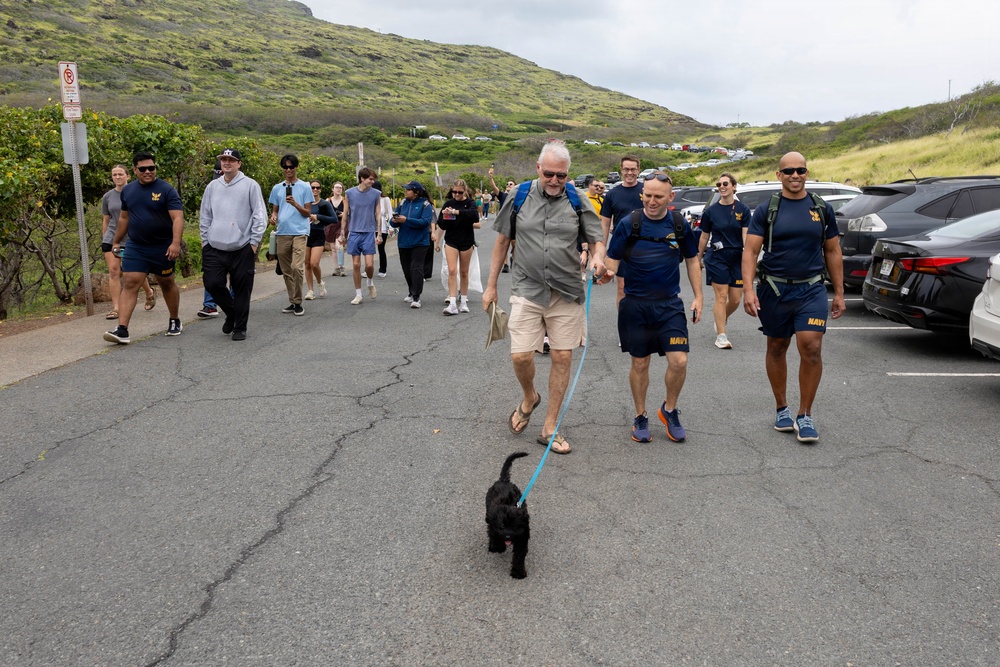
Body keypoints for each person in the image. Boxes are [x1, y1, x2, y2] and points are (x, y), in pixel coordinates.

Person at [483, 140, 610, 455]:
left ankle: (550, 426)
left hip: (567, 290)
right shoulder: (519, 195)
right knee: (521, 356)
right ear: (538, 169)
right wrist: (491, 286)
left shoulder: (578, 199)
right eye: (549, 173)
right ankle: (529, 397)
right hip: (527, 288)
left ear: (568, 174)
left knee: (562, 357)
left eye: (561, 176)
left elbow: (597, 241)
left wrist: (598, 259)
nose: (555, 181)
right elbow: (502, 242)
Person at [742, 152, 846, 444]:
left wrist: (838, 292)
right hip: (774, 289)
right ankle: (782, 408)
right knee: (777, 345)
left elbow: (833, 251)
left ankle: (805, 414)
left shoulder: (820, 208)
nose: (795, 175)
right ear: (779, 175)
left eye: (800, 170)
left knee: (810, 346)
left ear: (806, 172)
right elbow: (750, 252)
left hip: (811, 288)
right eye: (789, 171)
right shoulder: (767, 210)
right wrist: (748, 289)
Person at [603, 171, 703, 443]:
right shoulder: (629, 223)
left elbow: (692, 260)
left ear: (670, 197)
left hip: (669, 304)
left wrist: (698, 296)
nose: (652, 201)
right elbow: (612, 260)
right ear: (641, 195)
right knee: (640, 362)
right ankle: (640, 415)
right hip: (635, 305)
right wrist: (605, 274)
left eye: (658, 196)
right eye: (647, 195)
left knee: (679, 360)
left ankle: (669, 410)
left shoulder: (679, 224)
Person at [103, 151, 184, 344]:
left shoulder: (166, 189)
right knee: (130, 283)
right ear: (135, 170)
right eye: (143, 169)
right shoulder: (128, 191)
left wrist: (175, 243)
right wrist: (116, 241)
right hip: (136, 246)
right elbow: (124, 218)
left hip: (162, 247)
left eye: (151, 168)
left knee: (166, 283)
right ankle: (122, 329)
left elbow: (177, 218)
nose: (148, 171)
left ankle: (174, 319)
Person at [199, 148, 267, 341]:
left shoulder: (250, 185)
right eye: (223, 159)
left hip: (241, 246)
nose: (227, 163)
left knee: (242, 288)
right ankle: (232, 313)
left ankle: (240, 327)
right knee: (212, 283)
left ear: (239, 163)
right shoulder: (212, 187)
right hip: (214, 245)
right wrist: (205, 241)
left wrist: (253, 243)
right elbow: (205, 215)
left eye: (231, 160)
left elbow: (259, 216)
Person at [697, 172, 751, 349]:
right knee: (721, 296)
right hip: (717, 257)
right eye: (719, 184)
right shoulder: (711, 211)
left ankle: (721, 318)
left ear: (734, 187)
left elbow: (746, 236)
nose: (722, 187)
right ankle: (721, 335)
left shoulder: (743, 210)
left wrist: (749, 258)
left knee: (735, 299)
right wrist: (698, 258)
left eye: (725, 183)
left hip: (737, 257)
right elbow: (704, 237)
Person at [100, 164, 155, 321]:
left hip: (131, 237)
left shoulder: (135, 192)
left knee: (133, 272)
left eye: (120, 174)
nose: (117, 177)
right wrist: (105, 237)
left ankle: (149, 292)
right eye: (114, 175)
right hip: (112, 238)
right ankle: (116, 308)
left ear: (128, 176)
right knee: (114, 271)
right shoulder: (108, 197)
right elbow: (106, 219)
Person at [267, 154, 313, 316]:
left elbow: (308, 213)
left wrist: (295, 204)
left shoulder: (305, 187)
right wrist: (273, 217)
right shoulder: (277, 188)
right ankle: (292, 301)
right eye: (285, 167)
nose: (288, 170)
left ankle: (299, 301)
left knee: (296, 267)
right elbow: (275, 210)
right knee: (286, 270)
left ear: (296, 168)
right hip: (282, 233)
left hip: (300, 232)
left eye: (291, 167)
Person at [601, 155, 644, 309]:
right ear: (621, 170)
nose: (629, 172)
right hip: (621, 246)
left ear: (638, 170)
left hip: (644, 245)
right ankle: (625, 325)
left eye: (633, 169)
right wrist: (602, 251)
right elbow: (605, 225)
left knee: (644, 288)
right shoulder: (612, 194)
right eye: (626, 169)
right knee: (622, 288)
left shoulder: (646, 191)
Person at [438, 179, 482, 315]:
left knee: (464, 272)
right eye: (454, 191)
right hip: (451, 240)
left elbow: (474, 216)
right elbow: (442, 224)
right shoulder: (448, 203)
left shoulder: (470, 204)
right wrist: (446, 215)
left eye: (459, 192)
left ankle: (463, 301)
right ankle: (452, 303)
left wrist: (456, 212)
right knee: (452, 270)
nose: (456, 194)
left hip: (466, 241)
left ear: (465, 192)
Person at [339, 167, 381, 305]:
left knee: (369, 265)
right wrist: (342, 233)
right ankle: (358, 294)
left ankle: (369, 282)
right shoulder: (349, 193)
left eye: (373, 179)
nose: (372, 181)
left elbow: (378, 214)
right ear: (362, 179)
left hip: (369, 232)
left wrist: (379, 233)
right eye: (370, 179)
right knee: (356, 264)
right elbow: (345, 214)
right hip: (354, 232)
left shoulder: (376, 194)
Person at [391, 180, 435, 308]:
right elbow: (393, 223)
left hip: (420, 242)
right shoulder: (402, 203)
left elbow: (425, 222)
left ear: (416, 192)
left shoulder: (426, 205)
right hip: (404, 242)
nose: (406, 191)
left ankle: (416, 297)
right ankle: (411, 291)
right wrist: (394, 220)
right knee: (407, 269)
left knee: (416, 268)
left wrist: (406, 220)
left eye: (408, 189)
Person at [304, 180, 337, 300]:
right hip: (306, 235)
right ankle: (310, 290)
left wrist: (318, 217)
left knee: (314, 263)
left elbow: (334, 219)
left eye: (317, 188)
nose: (315, 190)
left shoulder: (324, 204)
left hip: (318, 234)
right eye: (312, 188)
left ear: (321, 190)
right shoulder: (304, 203)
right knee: (307, 263)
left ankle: (319, 282)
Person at [488, 168, 517, 272]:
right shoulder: (502, 196)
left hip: (515, 224)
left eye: (511, 184)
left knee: (514, 244)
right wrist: (490, 176)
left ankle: (513, 257)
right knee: (504, 245)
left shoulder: (519, 197)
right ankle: (505, 264)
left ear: (515, 187)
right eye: (507, 184)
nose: (508, 185)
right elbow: (493, 187)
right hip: (504, 224)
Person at [326, 181, 347, 277]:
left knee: (339, 245)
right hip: (331, 225)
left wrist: (344, 214)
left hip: (341, 225)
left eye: (340, 188)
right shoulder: (328, 200)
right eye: (337, 187)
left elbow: (350, 211)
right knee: (333, 248)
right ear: (332, 189)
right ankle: (336, 268)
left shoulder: (345, 200)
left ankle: (342, 266)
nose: (338, 189)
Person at [375, 180, 393, 278]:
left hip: (382, 227)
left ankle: (382, 269)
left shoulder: (385, 199)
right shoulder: (369, 199)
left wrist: (391, 227)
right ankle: (368, 269)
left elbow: (390, 213)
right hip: (370, 226)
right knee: (368, 248)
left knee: (381, 248)